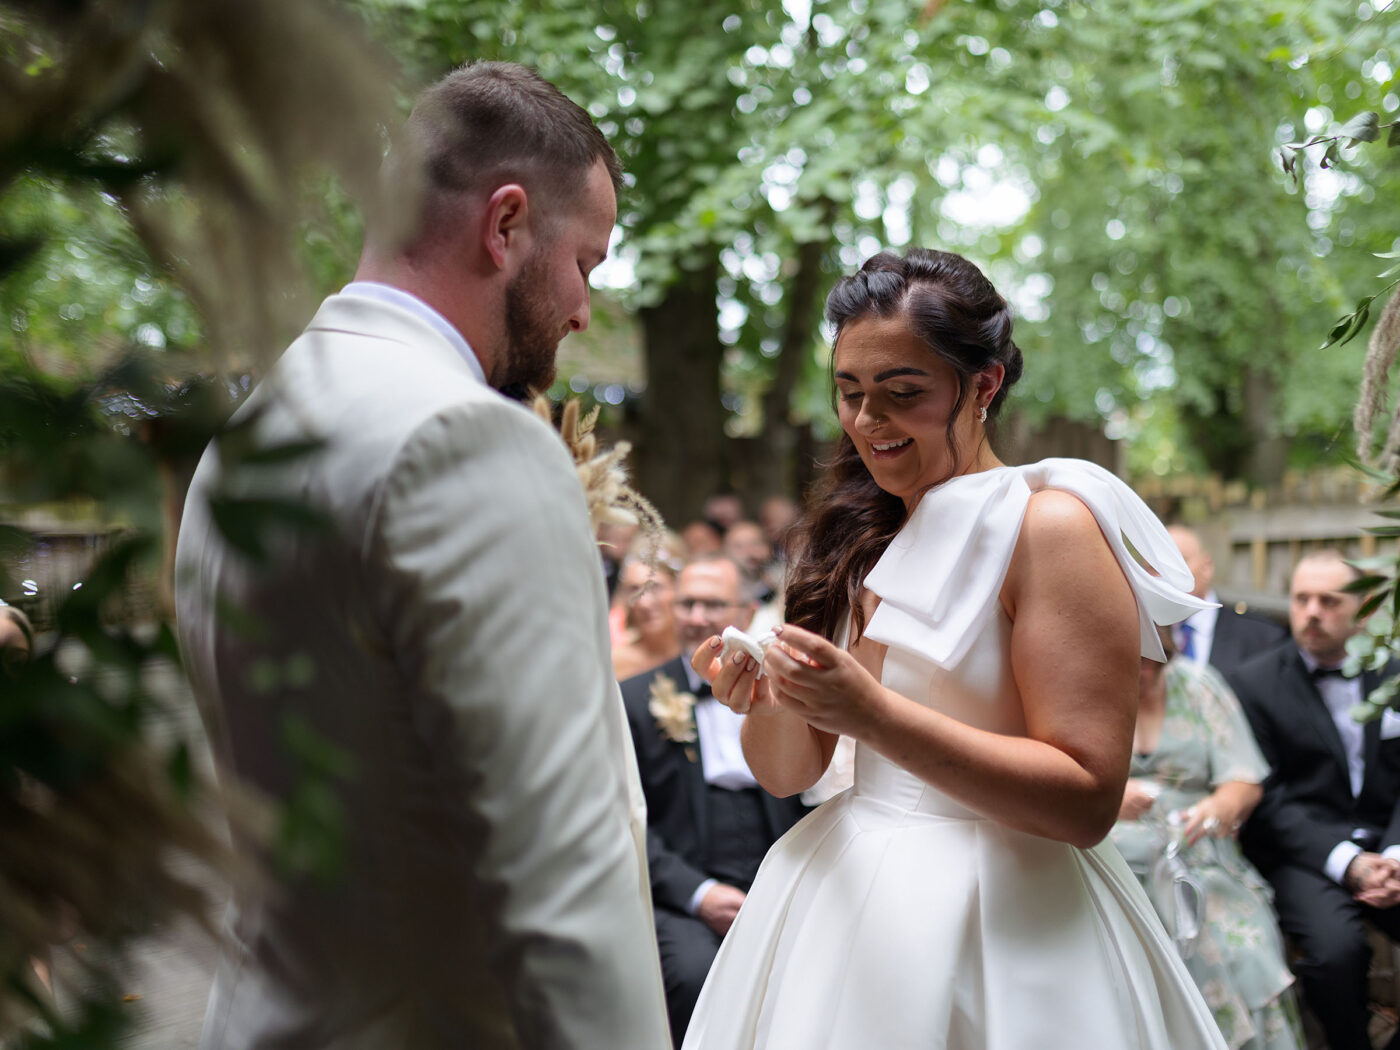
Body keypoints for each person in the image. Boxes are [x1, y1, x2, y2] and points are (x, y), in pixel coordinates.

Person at [174, 62, 669, 1050]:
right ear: (506, 224)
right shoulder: (465, 443)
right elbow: (567, 890)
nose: (582, 311)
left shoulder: (251, 433)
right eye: (588, 264)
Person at [682, 247, 1227, 1050]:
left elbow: (1085, 800)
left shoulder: (1049, 528)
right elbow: (790, 771)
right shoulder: (850, 535)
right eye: (850, 393)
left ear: (984, 385)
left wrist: (874, 713)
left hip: (1010, 921)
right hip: (841, 909)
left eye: (903, 394)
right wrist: (770, 698)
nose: (869, 424)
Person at [619, 554, 808, 1046]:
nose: (697, 616)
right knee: (695, 974)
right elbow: (627, 821)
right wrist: (700, 894)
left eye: (713, 603)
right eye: (687, 603)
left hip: (777, 880)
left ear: (746, 612)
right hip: (684, 895)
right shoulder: (634, 700)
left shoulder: (785, 691)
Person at [1230, 550, 1400, 1050]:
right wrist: (1348, 863)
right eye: (1302, 599)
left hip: (1390, 847)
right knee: (1334, 953)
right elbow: (1268, 797)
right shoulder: (1252, 683)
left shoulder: (1394, 674)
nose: (1311, 612)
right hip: (1305, 856)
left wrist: (1393, 856)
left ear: (1365, 609)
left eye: (1329, 600)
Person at [1112, 633, 1304, 1050]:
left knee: (1247, 950)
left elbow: (1245, 780)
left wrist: (1218, 808)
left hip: (1198, 858)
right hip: (1110, 866)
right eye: (1137, 656)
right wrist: (1105, 799)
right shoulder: (1082, 684)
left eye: (1158, 658)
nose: (1147, 669)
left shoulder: (1201, 686)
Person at [1169, 525, 1287, 676]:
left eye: (1178, 562)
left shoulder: (1260, 636)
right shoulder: (1141, 636)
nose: (1165, 573)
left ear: (1206, 567)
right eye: (1152, 566)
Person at [611, 545, 682, 680]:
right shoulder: (614, 662)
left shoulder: (695, 655)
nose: (644, 603)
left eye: (655, 587)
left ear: (677, 589)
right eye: (634, 590)